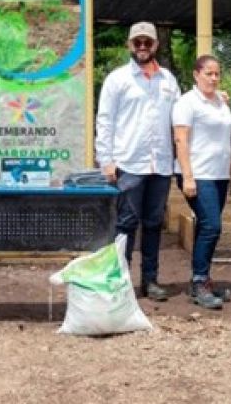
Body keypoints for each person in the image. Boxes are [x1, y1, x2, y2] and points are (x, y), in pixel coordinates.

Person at [95, 21, 180, 301]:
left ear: (156, 45)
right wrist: (105, 160)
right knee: (125, 224)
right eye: (137, 42)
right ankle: (119, 280)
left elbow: (180, 119)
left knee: (154, 223)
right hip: (129, 163)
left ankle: (150, 280)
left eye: (147, 42)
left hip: (161, 164)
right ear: (129, 45)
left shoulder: (168, 80)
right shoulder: (117, 79)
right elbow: (104, 121)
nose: (142, 47)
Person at [173, 55, 231, 310]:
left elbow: (223, 137)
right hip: (197, 175)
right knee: (212, 226)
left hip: (219, 174)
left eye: (216, 73)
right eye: (208, 73)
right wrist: (187, 176)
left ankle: (203, 280)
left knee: (205, 226)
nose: (213, 78)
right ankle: (199, 282)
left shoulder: (221, 101)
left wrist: (230, 169)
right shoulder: (187, 103)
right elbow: (181, 140)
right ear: (196, 75)